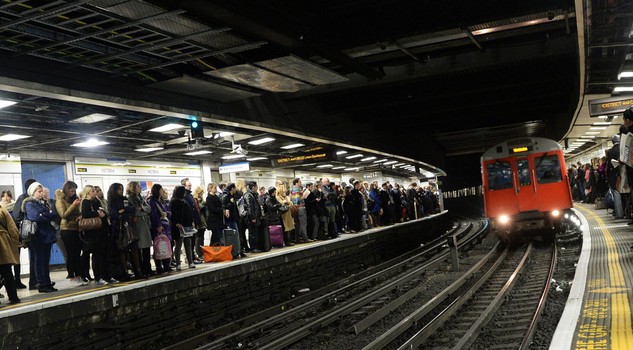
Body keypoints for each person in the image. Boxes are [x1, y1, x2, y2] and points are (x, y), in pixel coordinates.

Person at [24, 182, 59, 293]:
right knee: (39, 260)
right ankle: (41, 283)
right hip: (37, 236)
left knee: (46, 261)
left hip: (47, 236)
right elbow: (35, 217)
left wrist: (44, 215)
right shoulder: (29, 204)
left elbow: (53, 214)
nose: (41, 193)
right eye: (39, 191)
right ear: (33, 193)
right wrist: (45, 215)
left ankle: (47, 282)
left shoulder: (44, 203)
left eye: (41, 191)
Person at [81, 185, 115, 285]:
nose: (94, 192)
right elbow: (85, 214)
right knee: (97, 256)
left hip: (103, 230)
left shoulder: (97, 201)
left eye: (94, 191)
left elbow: (104, 211)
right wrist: (97, 213)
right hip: (93, 233)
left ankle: (107, 275)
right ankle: (98, 277)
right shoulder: (86, 202)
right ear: (87, 192)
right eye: (92, 191)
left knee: (105, 255)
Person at [108, 183, 139, 281]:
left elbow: (132, 209)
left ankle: (137, 271)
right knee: (122, 250)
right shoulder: (112, 200)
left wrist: (123, 210)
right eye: (119, 189)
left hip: (128, 227)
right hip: (119, 228)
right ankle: (124, 272)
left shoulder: (124, 198)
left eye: (122, 189)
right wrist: (122, 211)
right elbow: (113, 214)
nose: (121, 191)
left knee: (134, 249)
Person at [55, 181, 82, 284]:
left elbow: (77, 212)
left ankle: (79, 275)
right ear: (66, 190)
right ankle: (71, 276)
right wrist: (73, 205)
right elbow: (63, 215)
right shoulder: (60, 200)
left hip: (76, 228)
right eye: (71, 191)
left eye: (74, 190)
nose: (73, 192)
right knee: (70, 254)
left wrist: (80, 215)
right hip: (66, 229)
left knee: (77, 253)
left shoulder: (74, 199)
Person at [12, 178, 37, 290]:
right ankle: (27, 280)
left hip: (30, 232)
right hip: (24, 233)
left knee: (35, 257)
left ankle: (34, 279)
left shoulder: (31, 198)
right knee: (22, 258)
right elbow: (17, 216)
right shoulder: (23, 199)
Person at [127, 182, 153, 277]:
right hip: (138, 225)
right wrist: (143, 210)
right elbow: (135, 211)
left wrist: (142, 209)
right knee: (140, 247)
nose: (140, 187)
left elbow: (148, 208)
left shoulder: (140, 197)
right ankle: (142, 268)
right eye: (138, 186)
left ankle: (148, 267)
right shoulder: (130, 198)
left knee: (146, 247)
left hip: (144, 223)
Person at [148, 184, 172, 274]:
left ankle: (166, 264)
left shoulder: (161, 201)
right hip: (158, 227)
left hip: (165, 226)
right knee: (158, 245)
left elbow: (167, 211)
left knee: (165, 245)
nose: (163, 191)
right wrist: (158, 225)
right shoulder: (152, 201)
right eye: (161, 189)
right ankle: (159, 266)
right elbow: (153, 215)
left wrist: (167, 213)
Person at [170, 185, 195, 269]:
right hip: (178, 226)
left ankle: (190, 261)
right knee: (179, 245)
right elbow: (172, 214)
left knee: (188, 244)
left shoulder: (184, 201)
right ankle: (178, 263)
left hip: (187, 226)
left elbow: (189, 213)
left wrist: (191, 221)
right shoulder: (173, 202)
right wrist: (176, 223)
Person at [0, 205, 20, 304]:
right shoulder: (2, 209)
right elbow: (12, 227)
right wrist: (15, 241)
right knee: (7, 271)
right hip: (3, 242)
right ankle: (13, 297)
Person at [243, 181, 265, 251]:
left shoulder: (253, 194)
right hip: (252, 218)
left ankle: (256, 246)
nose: (257, 188)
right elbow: (249, 207)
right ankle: (253, 247)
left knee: (255, 232)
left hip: (255, 217)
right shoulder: (248, 195)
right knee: (252, 233)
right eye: (256, 187)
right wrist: (252, 217)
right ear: (253, 187)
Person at [276, 181, 295, 245]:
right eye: (283, 191)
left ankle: (289, 240)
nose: (284, 192)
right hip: (283, 215)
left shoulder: (285, 197)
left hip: (288, 214)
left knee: (289, 228)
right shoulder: (278, 197)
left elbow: (290, 203)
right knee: (285, 228)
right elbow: (283, 204)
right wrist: (287, 203)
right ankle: (286, 241)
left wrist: (287, 203)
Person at [290, 178, 309, 243]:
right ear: (296, 183)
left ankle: (298, 239)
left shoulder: (292, 189)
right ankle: (305, 238)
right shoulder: (296, 189)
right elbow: (297, 200)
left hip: (296, 208)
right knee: (303, 224)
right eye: (300, 182)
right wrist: (304, 196)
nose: (301, 183)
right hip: (300, 208)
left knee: (297, 225)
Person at [193, 186, 207, 263]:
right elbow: (200, 208)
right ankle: (199, 252)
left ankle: (201, 252)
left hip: (202, 220)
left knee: (201, 237)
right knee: (199, 238)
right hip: (199, 221)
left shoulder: (200, 199)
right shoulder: (196, 200)